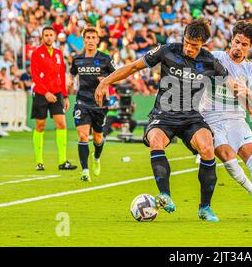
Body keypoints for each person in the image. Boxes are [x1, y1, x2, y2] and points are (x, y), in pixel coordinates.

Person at [95, 19, 228, 222]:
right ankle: (165, 195)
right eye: (187, 42)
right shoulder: (167, 51)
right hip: (163, 116)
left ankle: (205, 208)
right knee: (156, 141)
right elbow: (133, 67)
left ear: (203, 44)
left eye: (194, 45)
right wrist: (106, 80)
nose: (189, 48)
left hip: (191, 117)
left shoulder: (209, 61)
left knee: (208, 147)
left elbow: (232, 83)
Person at [199, 20, 252, 221]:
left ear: (250, 47)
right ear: (231, 39)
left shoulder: (251, 70)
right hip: (211, 118)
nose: (238, 47)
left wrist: (247, 94)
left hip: (237, 119)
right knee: (228, 157)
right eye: (237, 42)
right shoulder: (215, 58)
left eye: (244, 44)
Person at [69, 27, 116, 182]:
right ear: (84, 40)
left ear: (97, 40)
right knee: (83, 135)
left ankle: (96, 157)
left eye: (93, 37)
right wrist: (68, 84)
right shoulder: (77, 59)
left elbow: (117, 75)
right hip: (82, 101)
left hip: (100, 103)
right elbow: (71, 74)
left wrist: (105, 81)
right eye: (87, 37)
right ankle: (85, 171)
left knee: (97, 138)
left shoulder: (106, 59)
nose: (90, 40)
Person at [30, 26, 77, 171]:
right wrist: (45, 93)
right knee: (40, 126)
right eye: (46, 35)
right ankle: (39, 162)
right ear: (42, 37)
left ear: (55, 37)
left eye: (51, 35)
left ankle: (63, 161)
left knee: (62, 124)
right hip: (41, 94)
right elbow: (35, 76)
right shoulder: (36, 53)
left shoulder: (58, 54)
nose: (49, 37)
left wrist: (65, 96)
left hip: (56, 94)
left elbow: (61, 76)